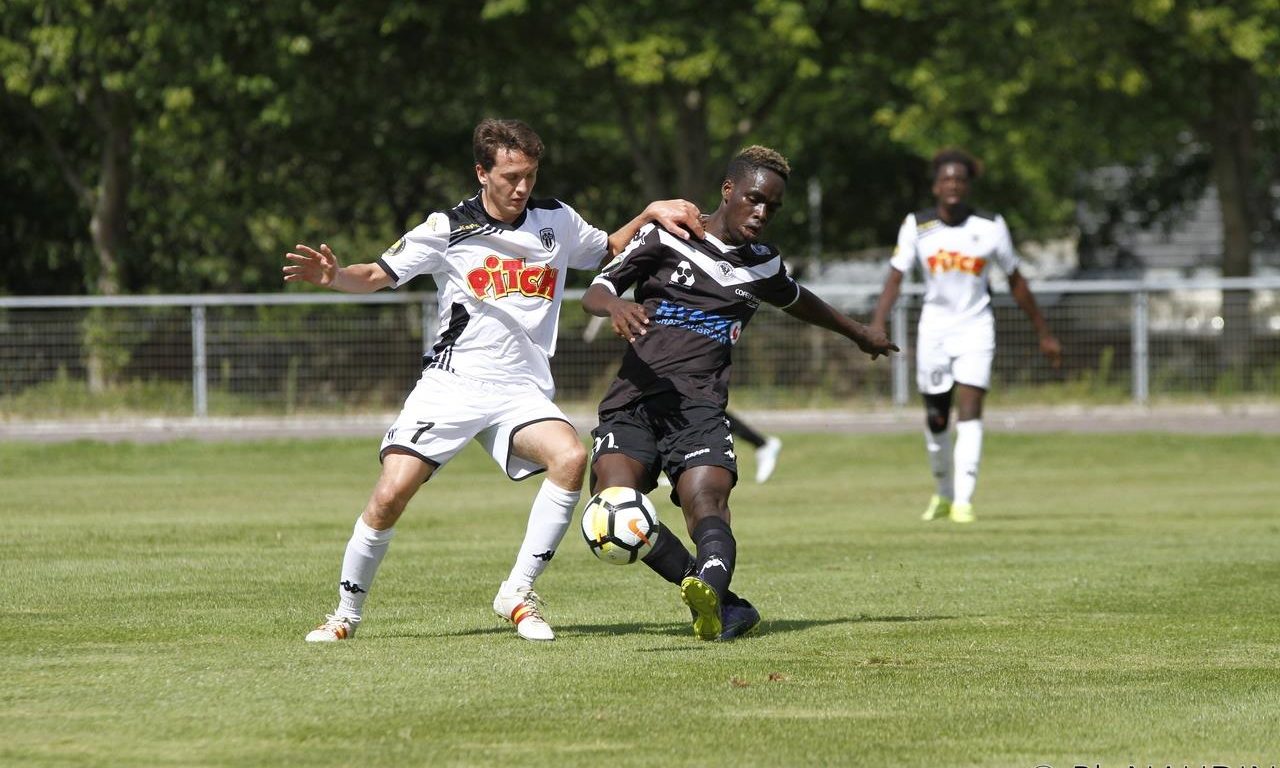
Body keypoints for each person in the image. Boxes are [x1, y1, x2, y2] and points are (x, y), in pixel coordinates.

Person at [284, 118, 702, 643]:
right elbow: (374, 275)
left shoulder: (557, 220)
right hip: (452, 384)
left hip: (520, 390)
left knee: (571, 457)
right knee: (390, 493)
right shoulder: (447, 228)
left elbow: (608, 249)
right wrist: (334, 277)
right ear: (481, 173)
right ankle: (344, 614)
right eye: (510, 177)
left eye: (530, 175)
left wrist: (648, 213)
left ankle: (518, 592)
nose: (522, 187)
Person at [582, 145, 897, 641]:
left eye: (773, 206)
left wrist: (860, 334)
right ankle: (726, 605)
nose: (762, 213)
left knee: (706, 502)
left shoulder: (763, 265)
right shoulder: (666, 235)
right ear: (728, 190)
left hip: (699, 409)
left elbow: (801, 301)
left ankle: (710, 588)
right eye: (754, 199)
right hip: (634, 399)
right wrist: (615, 308)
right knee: (612, 504)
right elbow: (596, 291)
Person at [870, 148, 1062, 524]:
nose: (953, 185)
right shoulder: (917, 225)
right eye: (946, 179)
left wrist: (1044, 332)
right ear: (935, 187)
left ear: (969, 186)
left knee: (971, 411)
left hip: (976, 327)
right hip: (934, 330)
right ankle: (943, 492)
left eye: (960, 179)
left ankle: (964, 501)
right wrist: (876, 324)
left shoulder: (991, 225)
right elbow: (895, 277)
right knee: (937, 416)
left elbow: (1016, 280)